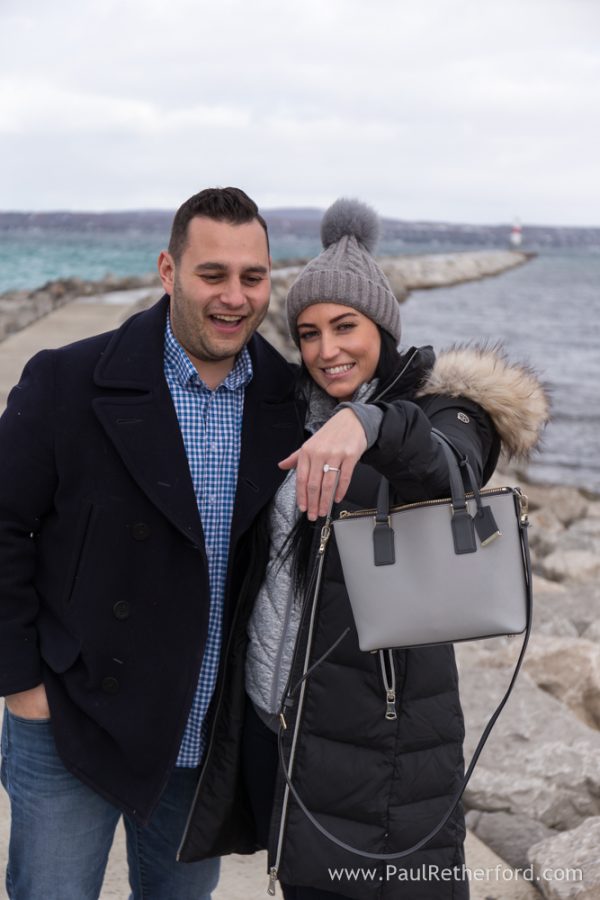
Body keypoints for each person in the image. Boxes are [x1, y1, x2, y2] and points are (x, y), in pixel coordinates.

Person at [178, 199, 549, 899]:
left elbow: (450, 467)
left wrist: (371, 424)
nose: (328, 349)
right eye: (310, 332)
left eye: (345, 326)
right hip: (291, 737)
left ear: (382, 326)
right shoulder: (286, 414)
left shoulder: (445, 412)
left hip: (388, 754)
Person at [0, 186, 315, 900]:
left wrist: (373, 426)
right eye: (213, 275)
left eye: (253, 277)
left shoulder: (290, 400)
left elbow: (423, 408)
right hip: (70, 720)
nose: (234, 297)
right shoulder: (69, 379)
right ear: (168, 271)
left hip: (204, 735)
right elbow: (4, 526)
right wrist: (21, 684)